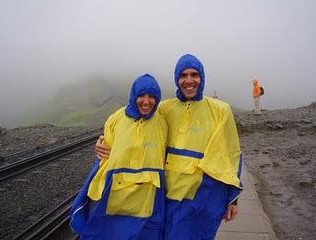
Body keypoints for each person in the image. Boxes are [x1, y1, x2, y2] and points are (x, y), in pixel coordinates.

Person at [96, 54, 243, 240]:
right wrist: (105, 141)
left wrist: (233, 198)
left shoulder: (221, 110)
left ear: (202, 78)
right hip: (166, 195)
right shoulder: (164, 109)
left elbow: (231, 154)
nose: (189, 80)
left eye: (194, 75)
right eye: (183, 75)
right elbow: (135, 127)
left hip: (202, 196)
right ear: (177, 79)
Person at [70, 74, 168, 240]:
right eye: (141, 95)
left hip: (147, 201)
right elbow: (105, 154)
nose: (146, 101)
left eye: (152, 96)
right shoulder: (115, 119)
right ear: (133, 95)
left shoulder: (163, 122)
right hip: (115, 200)